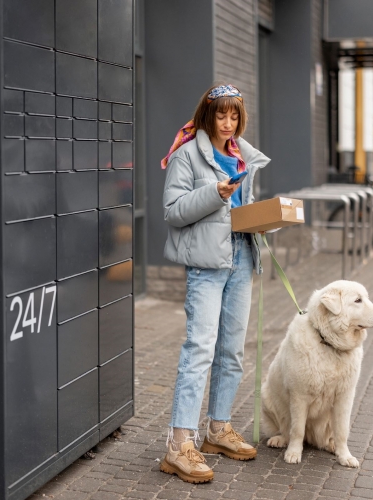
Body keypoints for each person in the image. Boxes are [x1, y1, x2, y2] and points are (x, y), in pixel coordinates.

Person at [159, 84, 270, 484]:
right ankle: (178, 444)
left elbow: (238, 213)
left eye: (235, 116)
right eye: (221, 116)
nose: (228, 123)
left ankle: (217, 429)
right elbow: (172, 212)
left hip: (241, 257)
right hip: (207, 266)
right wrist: (215, 193)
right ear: (208, 116)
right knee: (199, 349)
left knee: (232, 351)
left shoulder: (243, 156)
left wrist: (263, 218)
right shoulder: (187, 155)